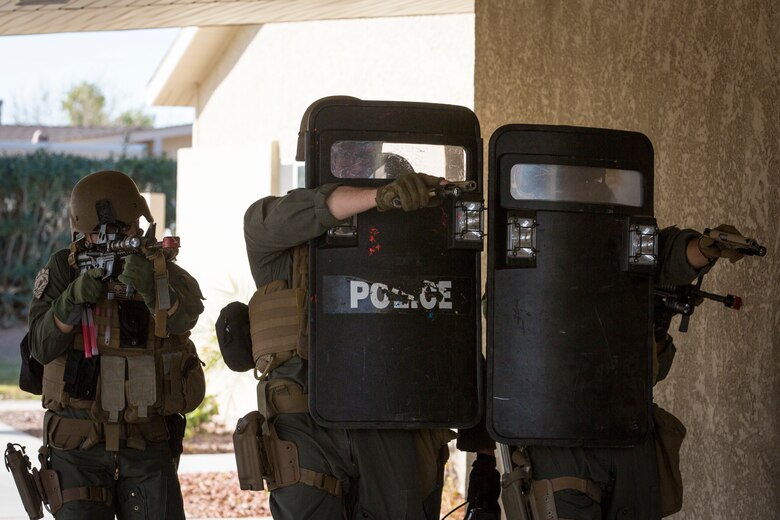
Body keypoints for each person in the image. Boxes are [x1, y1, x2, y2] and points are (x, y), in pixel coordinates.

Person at [221, 101, 500, 518]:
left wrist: (479, 428)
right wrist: (378, 197)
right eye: (342, 153)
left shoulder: (417, 228)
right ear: (314, 156)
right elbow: (318, 209)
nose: (354, 162)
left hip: (393, 413)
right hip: (305, 418)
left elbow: (447, 321)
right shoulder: (274, 220)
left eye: (363, 153)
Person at [519, 224, 746, 519]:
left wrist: (703, 249)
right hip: (559, 437)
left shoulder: (628, 236)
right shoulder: (527, 241)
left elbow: (671, 256)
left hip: (626, 427)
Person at [27, 169, 206, 519]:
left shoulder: (158, 265)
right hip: (77, 446)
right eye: (97, 234)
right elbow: (40, 347)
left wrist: (157, 290)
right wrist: (71, 301)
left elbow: (189, 316)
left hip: (146, 442)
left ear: (138, 226)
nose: (108, 239)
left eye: (121, 230)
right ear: (81, 232)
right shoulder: (64, 269)